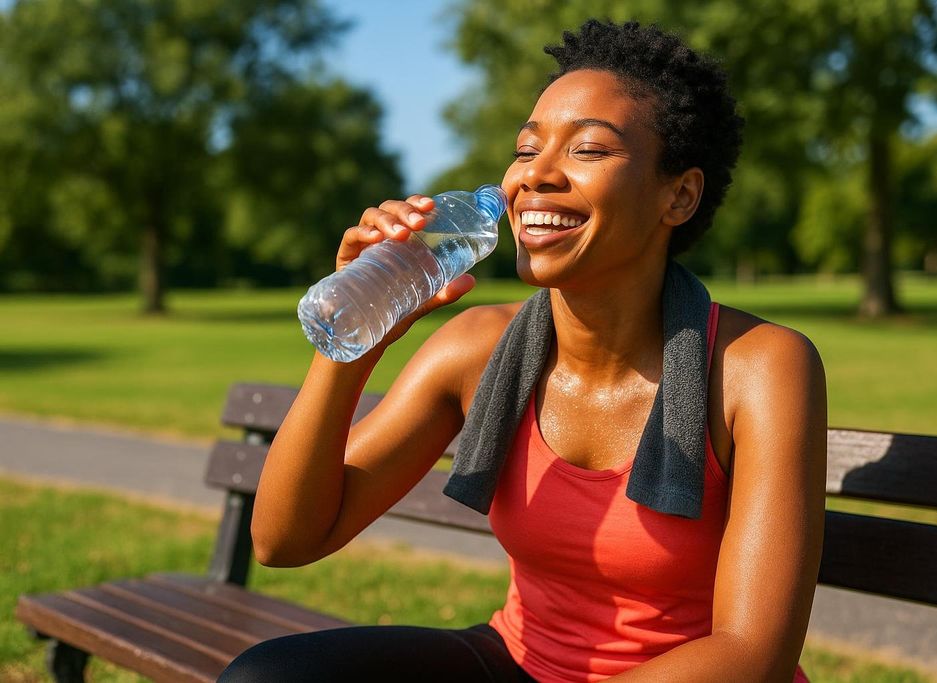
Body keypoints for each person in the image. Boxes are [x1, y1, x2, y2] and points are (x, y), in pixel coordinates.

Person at [219, 19, 826, 683]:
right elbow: (286, 536)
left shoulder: (759, 366)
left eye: (589, 150)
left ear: (677, 195)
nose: (535, 175)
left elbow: (751, 651)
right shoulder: (480, 346)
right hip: (517, 659)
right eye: (526, 149)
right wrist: (355, 335)